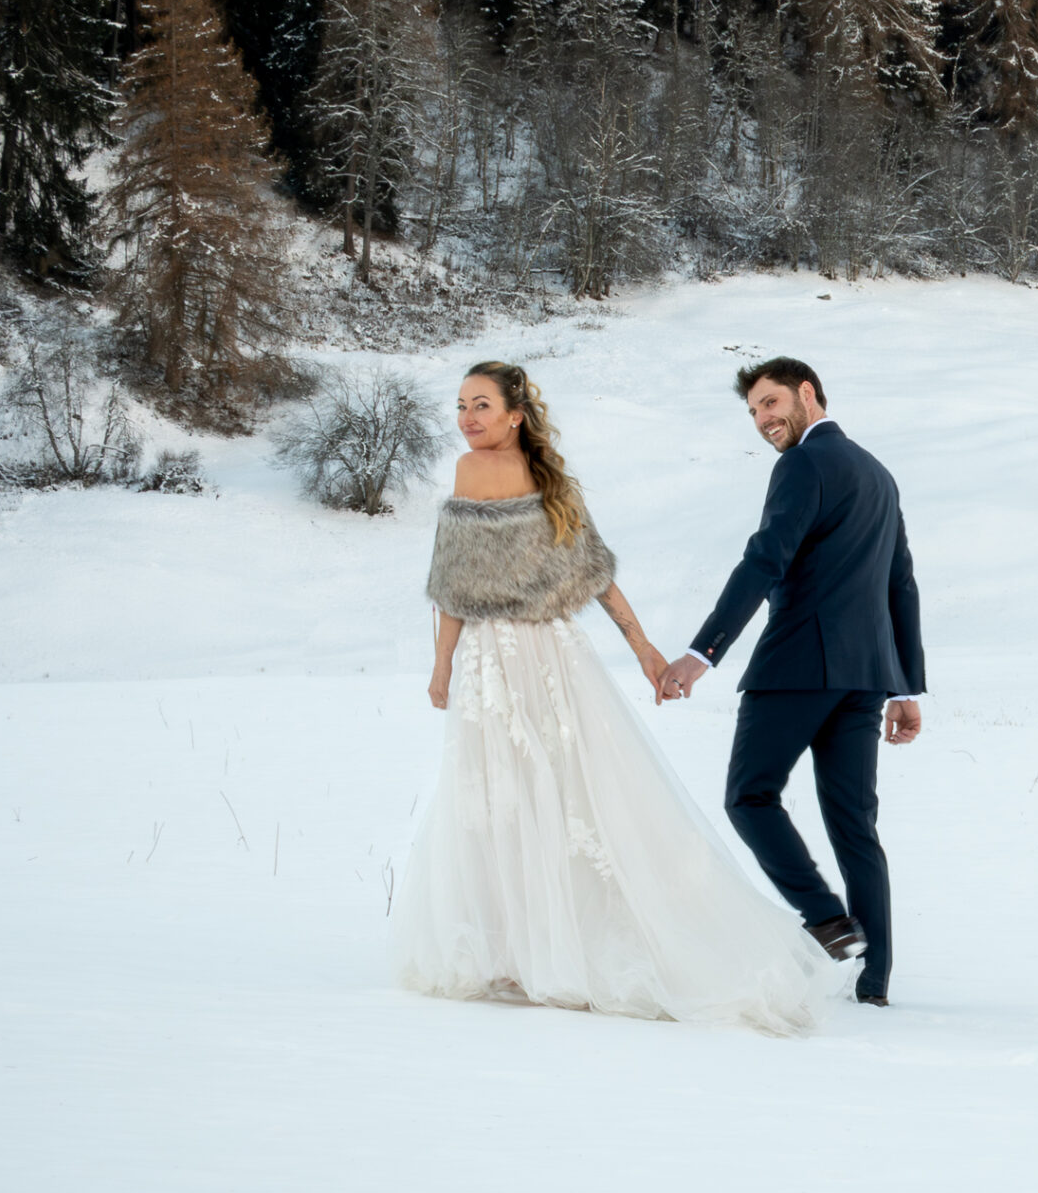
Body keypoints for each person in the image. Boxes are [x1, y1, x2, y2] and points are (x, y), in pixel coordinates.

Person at [392, 360, 842, 1034]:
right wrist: (441, 664)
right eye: (461, 406)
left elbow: (593, 575)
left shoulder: (531, 480)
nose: (467, 418)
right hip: (512, 657)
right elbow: (458, 578)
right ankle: (523, 946)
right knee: (516, 798)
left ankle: (546, 948)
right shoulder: (492, 473)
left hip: (533, 654)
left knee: (547, 795)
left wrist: (646, 650)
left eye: (481, 404)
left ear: (516, 413)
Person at [661, 357, 925, 1008]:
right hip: (864, 675)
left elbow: (765, 557)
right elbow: (901, 585)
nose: (763, 418)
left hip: (798, 666)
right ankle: (874, 982)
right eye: (754, 410)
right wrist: (906, 687)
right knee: (854, 826)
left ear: (809, 393)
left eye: (772, 401)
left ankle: (827, 918)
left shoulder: (804, 464)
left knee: (748, 796)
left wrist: (704, 649)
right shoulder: (878, 474)